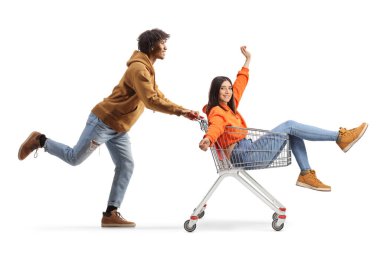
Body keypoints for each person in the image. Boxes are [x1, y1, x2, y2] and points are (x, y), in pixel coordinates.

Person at [18, 29, 198, 227]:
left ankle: (110, 213)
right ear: (151, 45)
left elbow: (158, 95)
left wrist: (184, 110)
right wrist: (180, 112)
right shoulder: (139, 69)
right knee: (74, 158)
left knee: (126, 165)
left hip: (119, 128)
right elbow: (151, 100)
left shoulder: (147, 69)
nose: (166, 47)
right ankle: (40, 140)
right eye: (163, 42)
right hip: (103, 122)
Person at [199, 46, 368, 192]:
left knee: (293, 132)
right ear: (216, 91)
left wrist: (248, 60)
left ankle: (306, 174)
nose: (228, 91)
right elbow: (216, 126)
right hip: (244, 155)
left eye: (229, 88)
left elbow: (240, 84)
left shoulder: (229, 106)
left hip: (250, 150)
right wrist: (208, 139)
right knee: (290, 125)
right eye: (223, 89)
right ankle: (340, 137)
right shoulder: (216, 111)